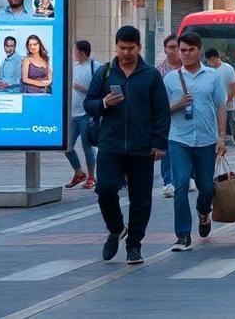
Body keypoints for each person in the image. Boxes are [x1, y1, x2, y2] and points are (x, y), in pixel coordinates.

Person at [85, 25, 170, 265]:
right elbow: (89, 104)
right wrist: (104, 102)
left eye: (130, 48)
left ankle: (134, 245)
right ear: (116, 47)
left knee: (141, 199)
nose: (126, 53)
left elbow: (161, 112)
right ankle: (116, 228)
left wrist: (159, 143)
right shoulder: (105, 72)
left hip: (142, 146)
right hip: (110, 144)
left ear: (139, 47)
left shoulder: (150, 75)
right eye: (122, 48)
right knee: (105, 189)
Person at [163, 33, 228, 252]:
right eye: (182, 50)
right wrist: (177, 104)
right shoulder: (171, 79)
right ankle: (182, 235)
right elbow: (161, 111)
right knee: (180, 183)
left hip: (206, 140)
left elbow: (221, 106)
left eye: (190, 50)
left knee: (206, 187)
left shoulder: (213, 76)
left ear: (199, 50)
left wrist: (221, 137)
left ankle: (203, 212)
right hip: (179, 139)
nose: (186, 54)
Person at [65, 40, 99, 189]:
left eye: (76, 51)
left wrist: (83, 89)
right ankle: (79, 173)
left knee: (87, 147)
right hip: (72, 115)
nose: (74, 54)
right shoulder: (73, 67)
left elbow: (99, 91)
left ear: (83, 52)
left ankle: (92, 177)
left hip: (86, 114)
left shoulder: (95, 67)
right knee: (67, 146)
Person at [156, 34, 182, 197]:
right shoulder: (159, 71)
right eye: (170, 47)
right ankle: (168, 182)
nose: (174, 51)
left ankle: (189, 177)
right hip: (167, 115)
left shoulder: (188, 67)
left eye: (176, 47)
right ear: (165, 49)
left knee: (187, 147)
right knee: (166, 149)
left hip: (187, 115)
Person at [205, 48, 235, 146]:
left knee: (228, 129)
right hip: (213, 107)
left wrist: (224, 100)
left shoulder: (228, 68)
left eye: (209, 60)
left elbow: (234, 86)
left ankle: (229, 146)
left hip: (228, 106)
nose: (208, 62)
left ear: (215, 58)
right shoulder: (208, 71)